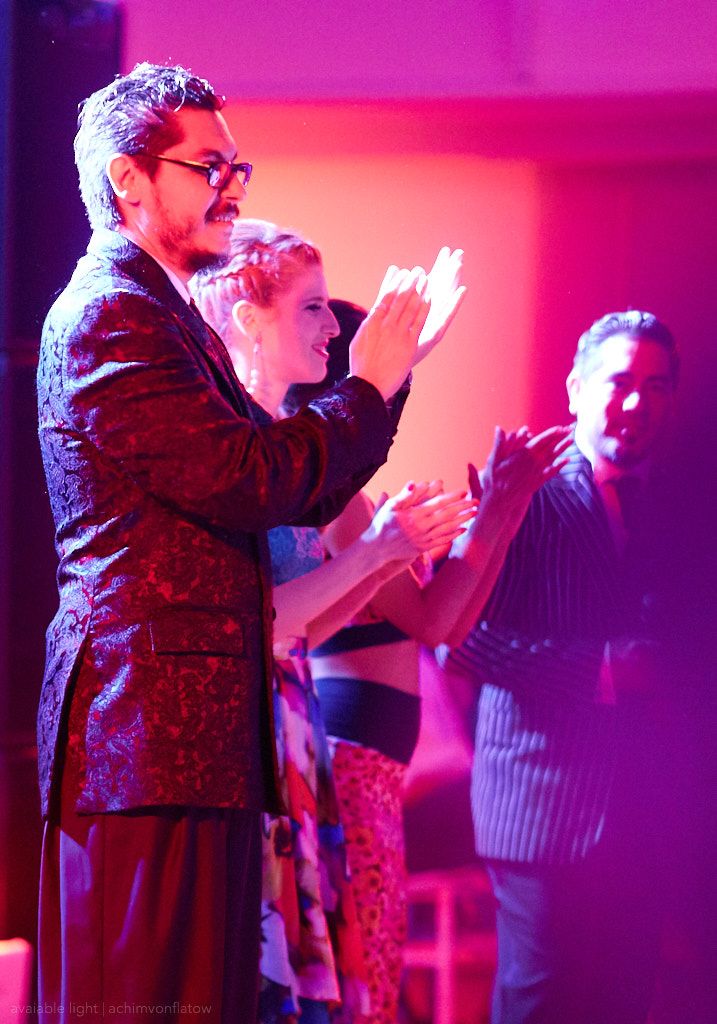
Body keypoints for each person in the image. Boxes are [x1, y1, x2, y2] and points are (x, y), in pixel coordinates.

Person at [35, 63, 444, 1023]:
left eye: (237, 168)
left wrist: (384, 383)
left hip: (190, 744)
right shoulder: (112, 312)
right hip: (145, 743)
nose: (230, 187)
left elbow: (293, 486)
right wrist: (367, 385)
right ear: (129, 181)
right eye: (206, 166)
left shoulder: (161, 313)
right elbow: (251, 480)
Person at [191, 219, 474, 1023]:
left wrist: (386, 554)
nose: (328, 325)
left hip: (297, 734)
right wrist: (379, 551)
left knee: (319, 983)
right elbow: (257, 623)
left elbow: (297, 634)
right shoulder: (241, 449)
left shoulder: (277, 444)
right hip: (254, 748)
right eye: (311, 307)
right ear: (248, 321)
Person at [284, 300, 571, 1024]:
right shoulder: (336, 499)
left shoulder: (343, 496)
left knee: (369, 972)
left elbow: (448, 623)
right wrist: (497, 510)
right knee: (365, 977)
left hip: (369, 769)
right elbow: (435, 620)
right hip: (353, 769)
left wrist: (503, 510)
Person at [445, 310, 680, 1024]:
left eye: (656, 386)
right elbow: (457, 639)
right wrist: (599, 672)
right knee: (540, 1006)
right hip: (539, 813)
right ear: (576, 388)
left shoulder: (677, 507)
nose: (636, 401)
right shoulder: (524, 491)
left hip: (647, 816)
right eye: (620, 381)